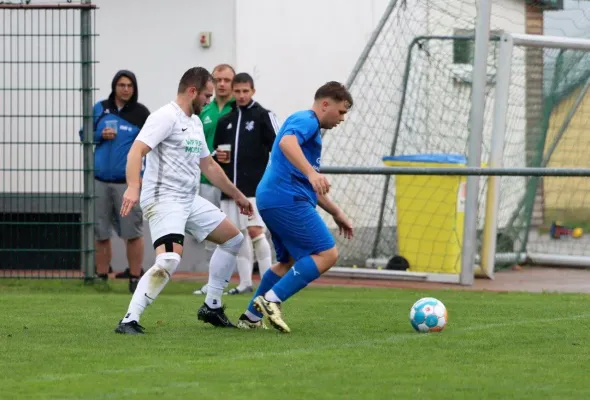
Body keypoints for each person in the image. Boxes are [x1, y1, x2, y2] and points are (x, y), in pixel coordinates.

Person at [114, 66, 253, 335]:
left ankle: (212, 305)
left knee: (233, 239)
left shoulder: (195, 122)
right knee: (169, 259)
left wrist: (237, 196)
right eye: (207, 96)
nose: (210, 101)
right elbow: (136, 150)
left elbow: (209, 166)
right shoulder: (165, 117)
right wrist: (133, 186)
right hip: (164, 199)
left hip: (189, 199)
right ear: (192, 91)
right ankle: (129, 319)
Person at [237, 81, 354, 332]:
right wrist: (312, 173)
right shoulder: (308, 119)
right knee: (327, 253)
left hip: (273, 198)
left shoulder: (307, 127)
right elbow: (286, 143)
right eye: (341, 111)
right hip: (285, 198)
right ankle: (272, 300)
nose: (342, 118)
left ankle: (251, 317)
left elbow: (305, 182)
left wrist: (336, 212)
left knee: (287, 261)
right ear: (325, 104)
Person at [79, 70, 150, 293]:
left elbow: (152, 146)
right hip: (99, 181)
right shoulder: (100, 109)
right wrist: (100, 134)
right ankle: (101, 277)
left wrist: (141, 178)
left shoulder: (141, 113)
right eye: (121, 85)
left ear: (134, 88)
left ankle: (135, 277)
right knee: (100, 231)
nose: (126, 89)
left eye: (129, 85)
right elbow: (84, 134)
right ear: (114, 87)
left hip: (128, 184)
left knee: (133, 232)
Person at [213, 72, 278, 295]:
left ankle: (269, 280)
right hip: (230, 189)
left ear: (252, 91)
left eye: (245, 91)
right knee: (237, 235)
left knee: (256, 232)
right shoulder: (225, 121)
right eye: (237, 91)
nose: (241, 95)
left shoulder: (263, 116)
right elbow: (214, 154)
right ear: (233, 92)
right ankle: (245, 283)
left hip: (255, 188)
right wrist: (216, 157)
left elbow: (278, 148)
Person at [192, 64, 236, 296]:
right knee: (211, 233)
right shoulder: (204, 109)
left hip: (233, 181)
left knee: (235, 233)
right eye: (217, 79)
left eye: (226, 80)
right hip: (206, 180)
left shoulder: (238, 108)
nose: (221, 84)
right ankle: (212, 283)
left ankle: (237, 280)